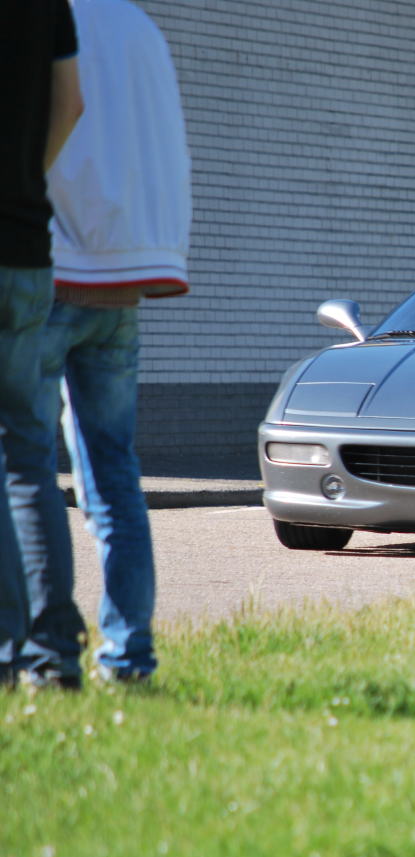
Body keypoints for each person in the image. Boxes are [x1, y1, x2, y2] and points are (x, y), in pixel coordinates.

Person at [19, 0, 191, 688]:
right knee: (115, 472)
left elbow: (59, 118)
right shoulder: (142, 29)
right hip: (128, 273)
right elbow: (168, 144)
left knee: (26, 468)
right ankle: (129, 655)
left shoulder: (55, 21)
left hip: (58, 261)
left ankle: (49, 652)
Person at [0, 1, 82, 687]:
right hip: (28, 249)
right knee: (28, 454)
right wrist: (24, 178)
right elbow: (71, 101)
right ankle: (52, 655)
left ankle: (4, 652)